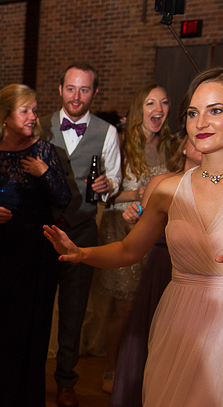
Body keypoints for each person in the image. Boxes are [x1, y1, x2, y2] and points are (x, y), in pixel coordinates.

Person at [43, 67, 223, 407]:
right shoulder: (167, 189)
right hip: (181, 333)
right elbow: (127, 249)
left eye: (214, 110)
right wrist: (80, 253)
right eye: (192, 112)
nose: (198, 122)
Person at [0, 83, 70, 407]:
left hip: (38, 257)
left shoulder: (44, 151)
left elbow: (65, 199)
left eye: (34, 109)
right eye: (24, 110)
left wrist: (44, 172)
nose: (32, 116)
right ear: (5, 117)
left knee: (33, 333)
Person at [97, 132, 200, 407]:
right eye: (193, 123)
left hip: (201, 280)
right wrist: (130, 221)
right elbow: (134, 239)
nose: (200, 135)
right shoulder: (163, 183)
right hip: (161, 267)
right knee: (144, 348)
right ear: (183, 144)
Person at [37, 63, 122, 407]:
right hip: (42, 231)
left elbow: (115, 179)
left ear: (95, 93)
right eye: (71, 88)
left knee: (73, 311)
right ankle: (31, 378)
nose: (76, 96)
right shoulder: (39, 125)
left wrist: (108, 187)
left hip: (84, 232)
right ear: (60, 89)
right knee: (38, 308)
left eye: (84, 90)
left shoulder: (107, 132)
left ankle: (66, 381)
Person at [97, 83, 171, 391]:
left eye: (164, 103)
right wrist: (137, 193)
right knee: (124, 306)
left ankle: (142, 368)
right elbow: (105, 197)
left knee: (151, 303)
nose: (158, 109)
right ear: (139, 108)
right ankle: (111, 369)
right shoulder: (122, 143)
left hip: (159, 232)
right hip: (121, 227)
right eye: (151, 103)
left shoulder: (173, 146)